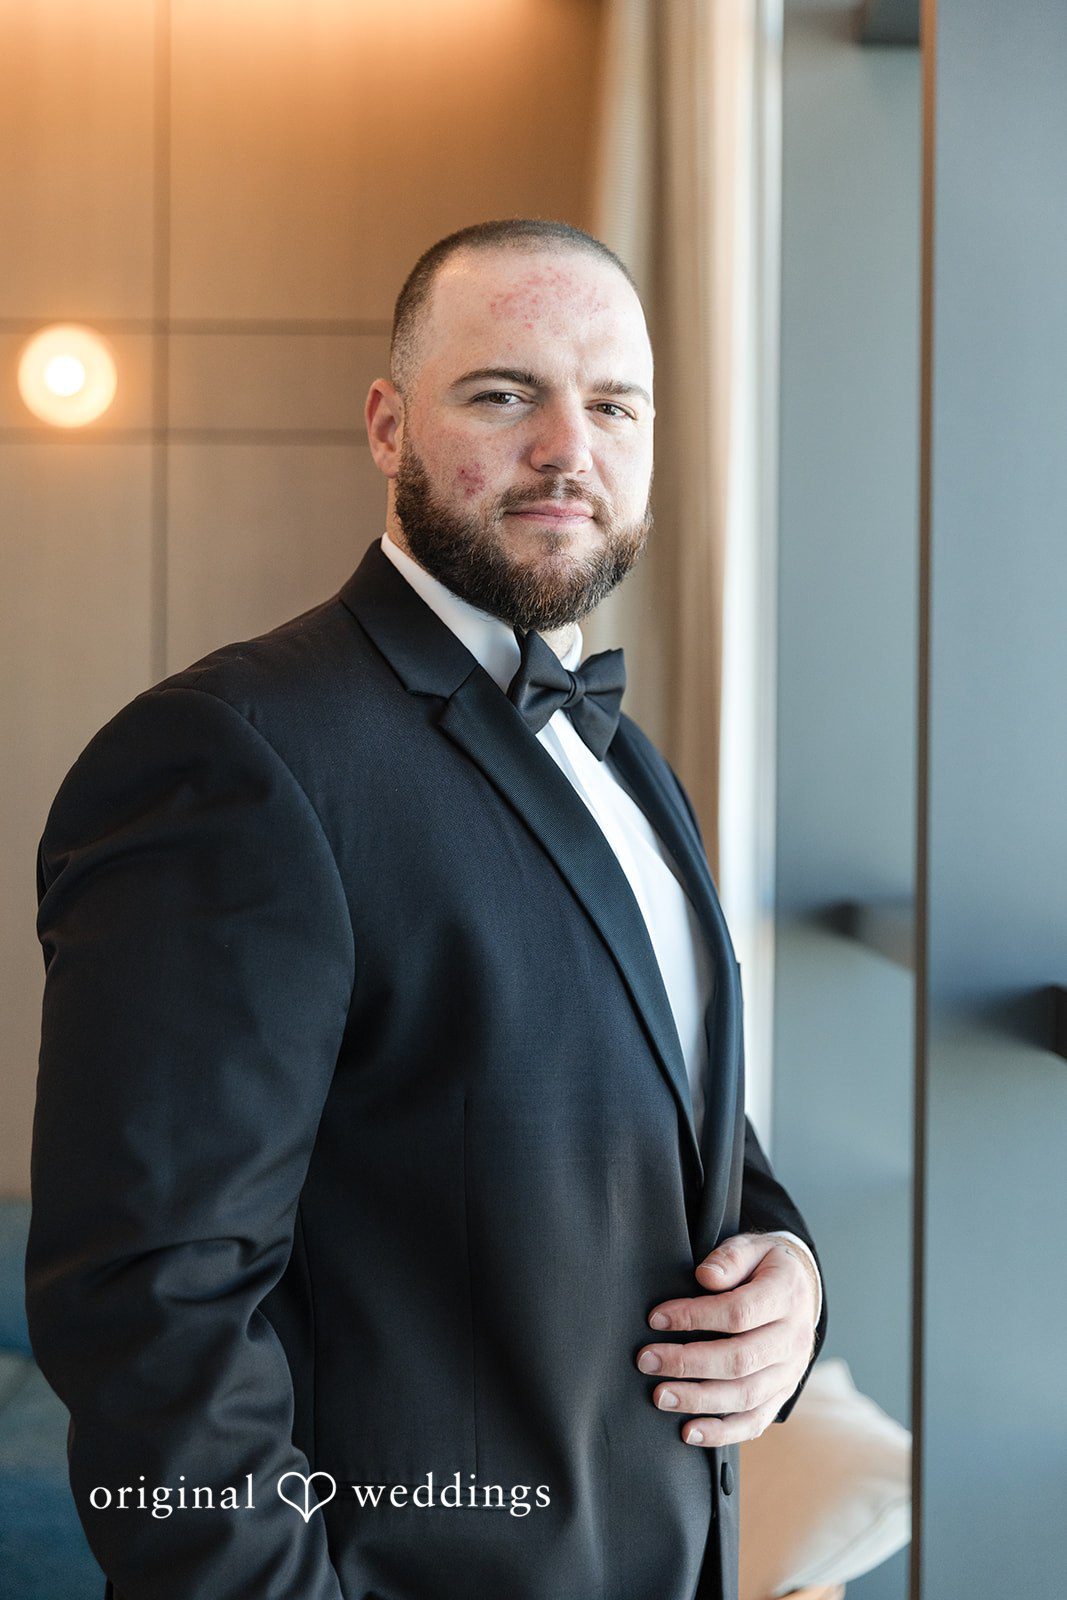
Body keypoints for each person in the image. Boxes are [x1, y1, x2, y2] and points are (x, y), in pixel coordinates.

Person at [27, 218, 827, 1600]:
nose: (569, 447)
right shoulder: (233, 758)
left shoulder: (635, 767)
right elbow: (154, 1314)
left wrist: (791, 1279)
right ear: (389, 426)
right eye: (506, 394)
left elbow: (679, 1116)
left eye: (615, 405)